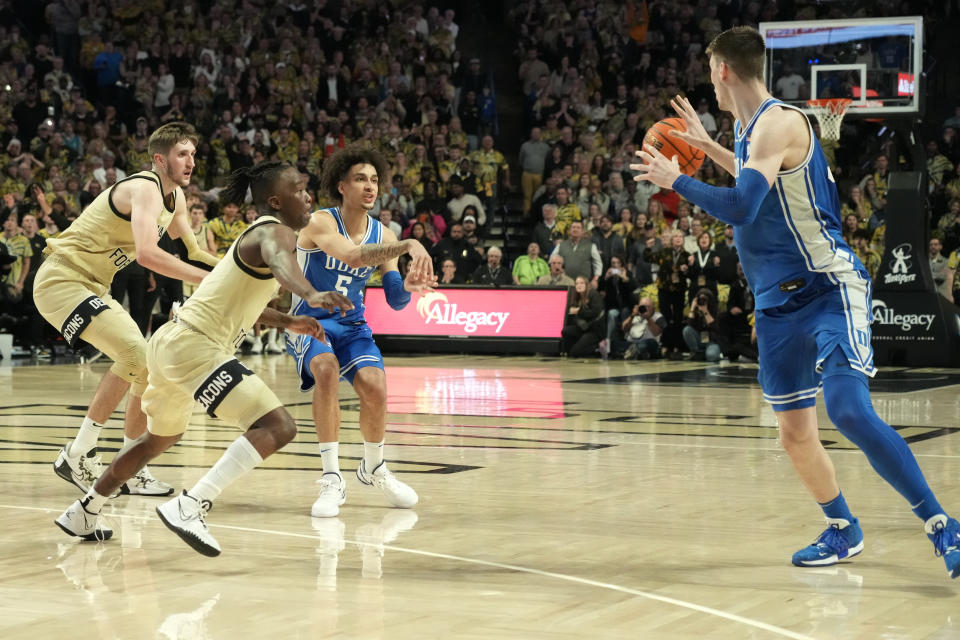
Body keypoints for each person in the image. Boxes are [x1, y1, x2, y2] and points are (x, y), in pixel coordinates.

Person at [631, 26, 960, 578]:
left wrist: (676, 178)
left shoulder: (780, 122)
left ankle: (941, 523)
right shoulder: (746, 130)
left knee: (849, 410)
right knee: (793, 431)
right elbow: (760, 182)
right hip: (776, 303)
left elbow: (742, 208)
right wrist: (708, 147)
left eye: (710, 69)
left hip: (826, 286)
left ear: (721, 70)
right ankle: (842, 528)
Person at [54, 162, 353, 555]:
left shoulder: (253, 236)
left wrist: (289, 320)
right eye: (299, 189)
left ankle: (84, 510)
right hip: (195, 345)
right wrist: (311, 295)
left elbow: (232, 299)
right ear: (276, 200)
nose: (308, 196)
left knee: (156, 440)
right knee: (278, 426)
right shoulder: (273, 231)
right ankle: (190, 505)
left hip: (171, 343)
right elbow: (283, 267)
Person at [34, 122, 220, 497]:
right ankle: (77, 452)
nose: (190, 162)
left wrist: (242, 271)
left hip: (94, 286)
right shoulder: (144, 189)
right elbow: (150, 255)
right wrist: (206, 283)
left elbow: (196, 253)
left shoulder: (177, 199)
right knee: (134, 352)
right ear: (159, 158)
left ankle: (130, 466)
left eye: (193, 154)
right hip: (62, 279)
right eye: (182, 154)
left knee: (145, 363)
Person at [287, 145, 436, 519]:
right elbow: (352, 257)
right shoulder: (319, 222)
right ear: (341, 185)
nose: (370, 187)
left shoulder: (382, 232)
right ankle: (332, 477)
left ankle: (374, 468)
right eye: (360, 179)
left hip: (352, 325)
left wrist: (412, 289)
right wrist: (409, 243)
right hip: (310, 321)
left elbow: (395, 297)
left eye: (374, 180)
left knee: (376, 386)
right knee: (326, 370)